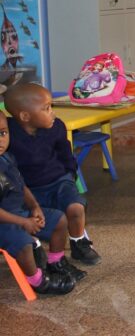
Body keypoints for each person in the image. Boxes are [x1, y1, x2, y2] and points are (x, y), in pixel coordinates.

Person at [5, 83, 101, 265]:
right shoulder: (9, 134)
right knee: (38, 219)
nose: (53, 113)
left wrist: (70, 175)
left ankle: (79, 243)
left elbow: (66, 153)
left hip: (59, 182)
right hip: (28, 190)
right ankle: (35, 246)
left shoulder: (56, 127)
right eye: (47, 108)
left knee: (76, 208)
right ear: (25, 116)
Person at [0, 112, 81, 295]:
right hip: (4, 223)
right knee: (21, 239)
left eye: (3, 133)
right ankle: (37, 280)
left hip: (18, 214)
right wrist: (23, 223)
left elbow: (22, 186)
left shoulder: (7, 157)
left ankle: (56, 262)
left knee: (59, 219)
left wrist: (34, 207)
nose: (0, 140)